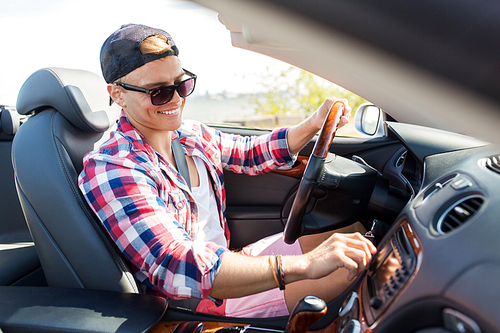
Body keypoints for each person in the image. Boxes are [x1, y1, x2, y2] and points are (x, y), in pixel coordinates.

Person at [78, 23, 377, 318]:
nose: (177, 99)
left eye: (182, 84)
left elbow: (250, 152)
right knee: (348, 270)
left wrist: (313, 123)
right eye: (158, 92)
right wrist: (305, 265)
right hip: (196, 304)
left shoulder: (189, 136)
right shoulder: (113, 167)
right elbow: (178, 265)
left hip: (226, 263)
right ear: (117, 94)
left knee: (352, 237)